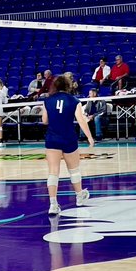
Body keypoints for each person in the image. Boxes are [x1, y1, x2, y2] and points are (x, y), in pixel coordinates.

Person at [42, 75, 95, 215]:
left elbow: (44, 121)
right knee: (74, 170)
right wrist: (90, 137)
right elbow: (81, 121)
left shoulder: (47, 101)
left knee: (53, 172)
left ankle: (53, 204)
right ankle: (79, 197)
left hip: (52, 139)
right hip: (69, 138)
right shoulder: (74, 100)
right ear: (68, 86)